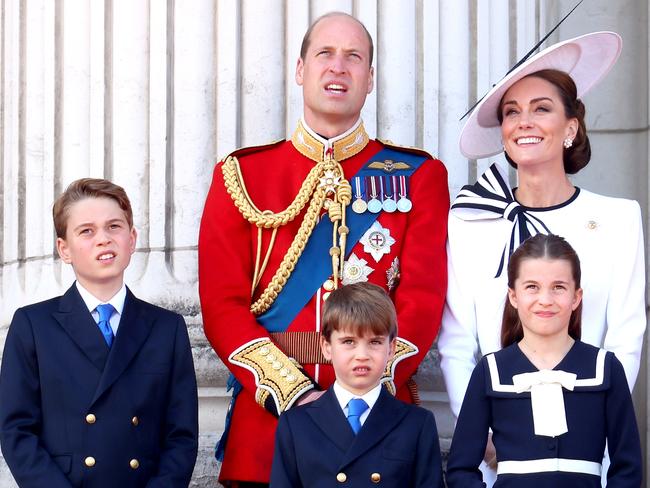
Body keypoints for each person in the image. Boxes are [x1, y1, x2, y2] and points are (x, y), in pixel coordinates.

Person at [198, 11, 449, 486]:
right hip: (269, 426)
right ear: (300, 70)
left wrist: (370, 385)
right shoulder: (241, 176)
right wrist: (291, 391)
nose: (339, 67)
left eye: (354, 57)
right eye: (325, 54)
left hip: (380, 428)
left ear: (369, 78)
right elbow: (221, 304)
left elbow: (423, 298)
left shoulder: (419, 177)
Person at [438, 32, 645, 483]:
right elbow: (456, 343)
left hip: (588, 451)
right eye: (512, 112)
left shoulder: (618, 218)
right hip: (500, 452)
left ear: (571, 127)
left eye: (541, 108)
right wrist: (482, 428)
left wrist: (594, 424)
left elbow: (626, 337)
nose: (524, 122)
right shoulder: (469, 221)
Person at [0, 179, 198, 488]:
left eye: (114, 227)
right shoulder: (33, 325)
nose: (103, 239)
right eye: (87, 231)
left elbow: (181, 437)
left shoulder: (166, 328)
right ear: (64, 249)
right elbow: (17, 432)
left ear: (131, 239)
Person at [445, 234, 642, 487]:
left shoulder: (605, 367)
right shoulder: (491, 371)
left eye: (558, 287)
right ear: (514, 296)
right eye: (532, 287)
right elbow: (461, 469)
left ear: (576, 297)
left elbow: (628, 468)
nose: (545, 300)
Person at [270, 282, 444, 487]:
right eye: (348, 342)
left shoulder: (416, 423)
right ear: (326, 347)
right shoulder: (295, 424)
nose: (362, 356)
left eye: (375, 342)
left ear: (391, 349)